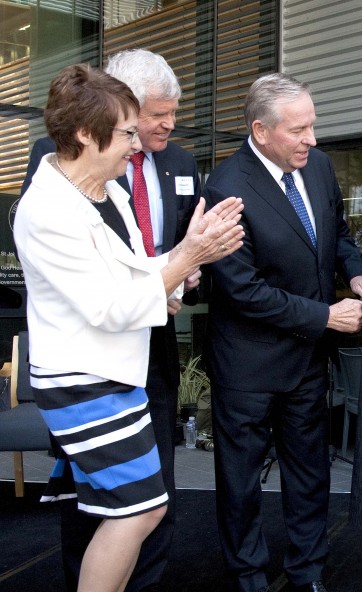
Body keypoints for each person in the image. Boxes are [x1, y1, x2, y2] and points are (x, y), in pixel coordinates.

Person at [14, 64, 243, 592]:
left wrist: (182, 269)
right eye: (125, 133)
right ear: (83, 135)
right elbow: (109, 305)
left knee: (135, 508)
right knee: (139, 510)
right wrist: (188, 255)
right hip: (83, 383)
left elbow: (137, 274)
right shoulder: (46, 209)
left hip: (118, 375)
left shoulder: (106, 191)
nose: (136, 145)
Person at [204, 72, 362, 592]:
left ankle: (308, 574)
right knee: (241, 485)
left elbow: (338, 237)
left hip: (305, 363)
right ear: (260, 130)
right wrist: (326, 316)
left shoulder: (317, 168)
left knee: (310, 476)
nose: (313, 140)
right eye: (299, 130)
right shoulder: (225, 188)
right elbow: (242, 291)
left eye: (313, 126)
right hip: (247, 368)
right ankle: (249, 578)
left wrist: (357, 272)